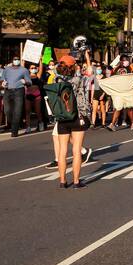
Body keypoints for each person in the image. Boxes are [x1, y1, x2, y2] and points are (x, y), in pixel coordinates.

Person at [45, 58, 91, 188]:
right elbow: (88, 76)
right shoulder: (78, 80)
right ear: (73, 67)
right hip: (76, 116)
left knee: (62, 151)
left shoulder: (55, 80)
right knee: (76, 150)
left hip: (62, 117)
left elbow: (56, 72)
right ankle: (76, 181)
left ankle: (63, 181)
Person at [0, 54, 32, 136]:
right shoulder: (7, 69)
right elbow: (2, 79)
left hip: (19, 91)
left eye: (17, 59)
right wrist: (2, 82)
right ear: (12, 60)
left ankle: (14, 131)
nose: (16, 60)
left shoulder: (24, 70)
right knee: (7, 111)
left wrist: (25, 82)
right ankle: (13, 123)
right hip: (8, 90)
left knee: (17, 111)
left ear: (19, 61)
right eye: (15, 59)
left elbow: (29, 82)